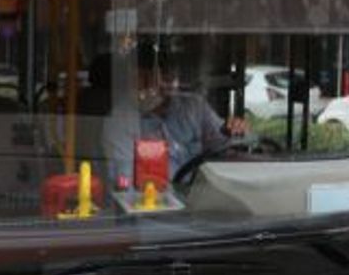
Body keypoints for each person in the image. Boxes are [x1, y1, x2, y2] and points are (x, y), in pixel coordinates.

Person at [105, 47, 250, 184]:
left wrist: (234, 130)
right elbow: (124, 179)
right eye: (139, 80)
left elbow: (222, 146)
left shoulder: (193, 107)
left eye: (151, 78)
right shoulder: (120, 121)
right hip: (155, 201)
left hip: (204, 195)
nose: (146, 87)